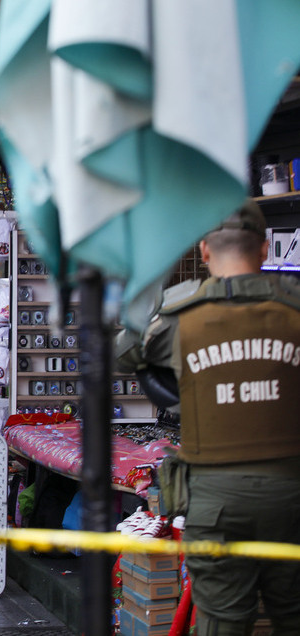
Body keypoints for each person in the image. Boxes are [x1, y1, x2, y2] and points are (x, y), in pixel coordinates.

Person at [115, 200, 300, 635]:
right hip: (290, 495)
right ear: (266, 250)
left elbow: (124, 353)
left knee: (221, 622)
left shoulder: (182, 320)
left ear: (203, 252)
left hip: (215, 503)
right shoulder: (294, 313)